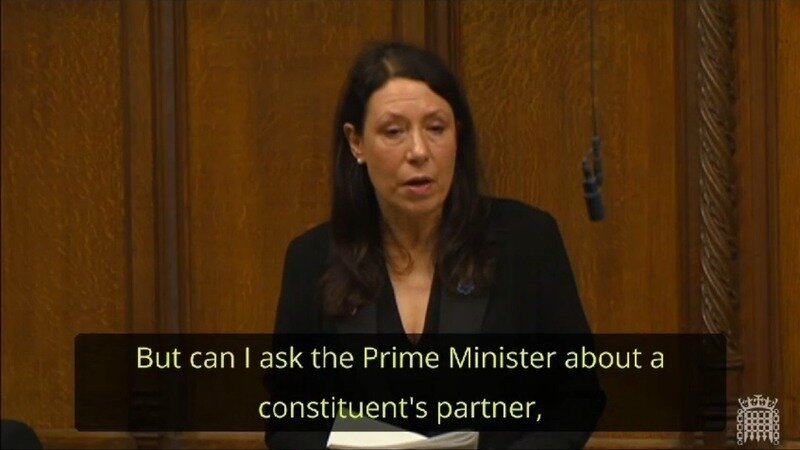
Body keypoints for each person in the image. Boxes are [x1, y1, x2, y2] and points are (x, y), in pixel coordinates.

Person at [267, 41, 604, 449]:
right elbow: (289, 422)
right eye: (394, 132)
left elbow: (577, 399)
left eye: (436, 128)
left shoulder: (527, 241)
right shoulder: (311, 260)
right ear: (356, 142)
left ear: (458, 134)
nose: (419, 151)